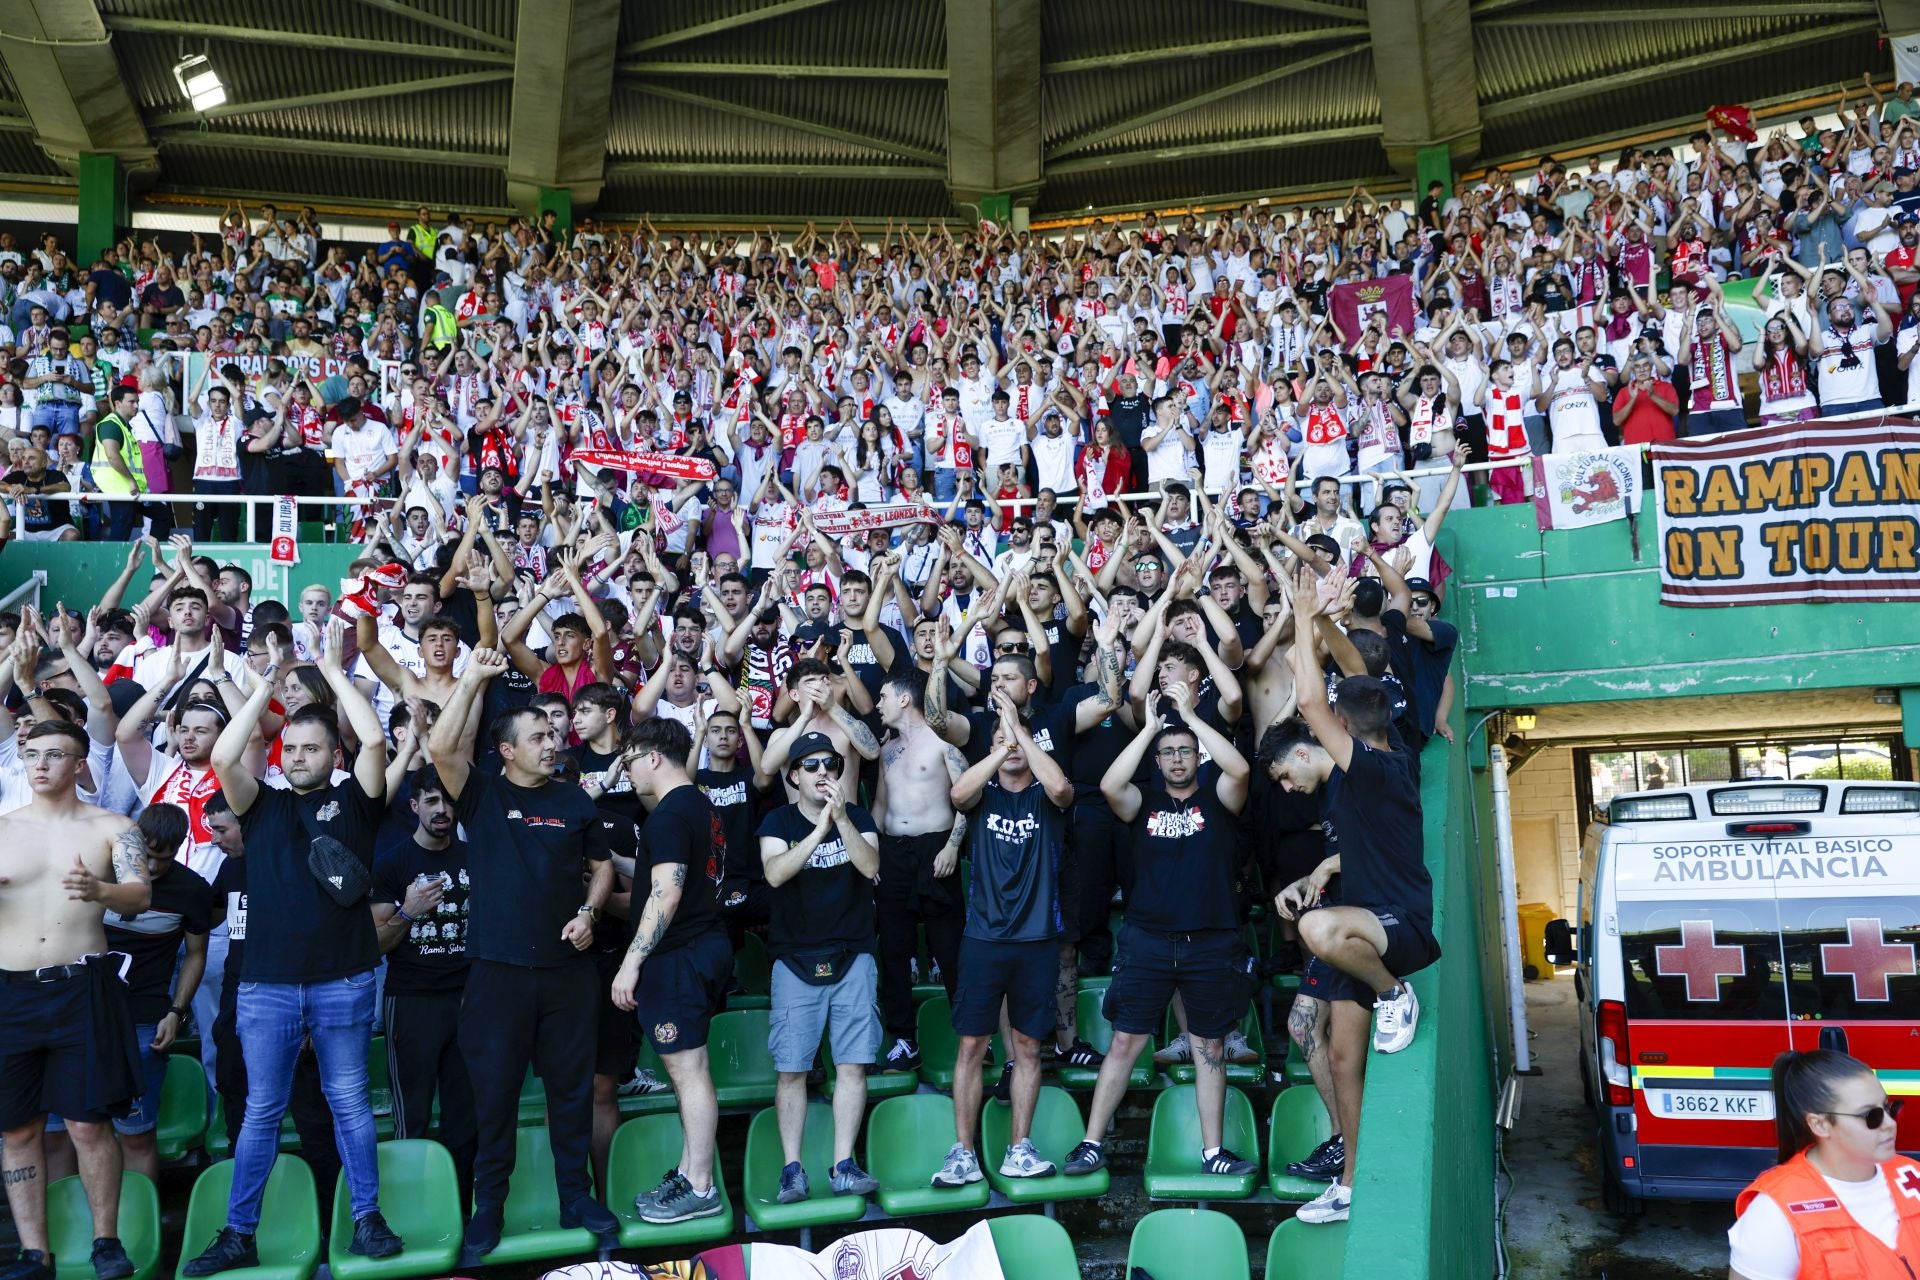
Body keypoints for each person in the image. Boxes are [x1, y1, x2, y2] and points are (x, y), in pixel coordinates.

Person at [184, 622, 402, 1275]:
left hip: (343, 981)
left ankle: (367, 1219)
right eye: (291, 748)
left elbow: (373, 738)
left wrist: (334, 668)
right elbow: (224, 759)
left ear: (332, 755)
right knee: (260, 1115)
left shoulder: (356, 803)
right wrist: (265, 685)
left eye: (313, 747)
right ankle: (238, 1232)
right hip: (268, 986)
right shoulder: (261, 806)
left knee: (349, 1104)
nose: (299, 755)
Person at [427, 648, 618, 1263]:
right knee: (496, 1096)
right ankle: (489, 1208)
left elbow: (603, 869)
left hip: (568, 976)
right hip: (497, 975)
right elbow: (440, 748)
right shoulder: (481, 793)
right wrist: (475, 680)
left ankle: (575, 1198)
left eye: (553, 732)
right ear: (506, 750)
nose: (552, 740)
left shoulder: (575, 801)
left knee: (572, 1093)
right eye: (537, 735)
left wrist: (590, 911)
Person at [1263, 571, 1438, 1226]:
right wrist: (1321, 624)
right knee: (1341, 1056)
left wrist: (1305, 613)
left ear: (1344, 725)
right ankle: (1349, 1184)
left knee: (1316, 931)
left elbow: (1310, 700)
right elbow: (1347, 668)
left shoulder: (1382, 765)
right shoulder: (1350, 774)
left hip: (1397, 927)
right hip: (1363, 919)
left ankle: (1396, 993)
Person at [1064, 683, 1257, 1181]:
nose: (1176, 759)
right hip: (1147, 940)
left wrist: (1192, 719)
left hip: (1210, 940)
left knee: (1209, 1047)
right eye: (1167, 753)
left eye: (1185, 752)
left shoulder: (1218, 799)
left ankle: (1213, 1151)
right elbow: (1108, 786)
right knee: (1126, 1042)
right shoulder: (1142, 803)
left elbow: (1239, 769)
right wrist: (1151, 727)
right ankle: (1091, 1142)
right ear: (1156, 759)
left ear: (1198, 756)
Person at [0, 720, 150, 1280]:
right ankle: (33, 1252)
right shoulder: (2, 828)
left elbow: (139, 896)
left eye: (55, 754)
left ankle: (105, 1240)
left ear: (80, 763)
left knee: (88, 1124)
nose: (40, 765)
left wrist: (101, 891)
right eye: (31, 754)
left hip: (81, 984)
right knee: (16, 1128)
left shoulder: (113, 826)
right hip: (10, 988)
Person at [935, 691, 1077, 1188]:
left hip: (1037, 939)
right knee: (972, 1044)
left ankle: (1020, 1148)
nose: (1012, 746)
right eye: (1001, 741)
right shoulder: (983, 795)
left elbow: (1059, 784)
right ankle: (963, 1153)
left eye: (1020, 741)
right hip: (983, 938)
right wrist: (1003, 740)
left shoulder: (1046, 796)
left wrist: (1020, 732)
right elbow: (957, 796)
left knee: (1027, 1047)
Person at [610, 718, 732, 1226]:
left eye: (630, 759)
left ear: (654, 757)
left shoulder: (666, 815)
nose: (627, 771)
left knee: (688, 1073)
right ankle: (688, 1173)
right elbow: (666, 871)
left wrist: (629, 964)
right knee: (688, 1072)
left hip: (678, 956)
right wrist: (617, 862)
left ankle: (701, 1188)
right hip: (702, 948)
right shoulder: (698, 805)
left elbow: (668, 892)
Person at [756, 732, 883, 1204]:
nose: (823, 772)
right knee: (791, 1070)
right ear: (793, 777)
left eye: (830, 763)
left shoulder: (860, 816)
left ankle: (844, 1164)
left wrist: (842, 818)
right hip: (794, 958)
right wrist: (816, 829)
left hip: (853, 954)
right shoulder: (777, 820)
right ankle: (793, 1169)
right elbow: (774, 873)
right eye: (811, 766)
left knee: (852, 1066)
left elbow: (870, 865)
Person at [369, 767, 477, 1203]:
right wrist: (409, 911)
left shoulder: (475, 858)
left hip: (470, 1000)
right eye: (431, 801)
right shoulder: (392, 863)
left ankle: (463, 1211)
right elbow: (375, 941)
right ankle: (412, 1207)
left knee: (465, 1117)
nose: (441, 809)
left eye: (448, 800)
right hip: (412, 1000)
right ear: (414, 806)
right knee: (411, 1114)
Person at [1729, 1049, 1920, 1278]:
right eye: (1871, 1116)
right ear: (1819, 1125)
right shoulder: (1773, 1214)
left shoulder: (1911, 1174)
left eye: (1889, 1108)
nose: (1889, 1124)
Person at [869, 666, 968, 1071]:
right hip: (893, 852)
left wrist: (952, 846)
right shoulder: (886, 750)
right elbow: (878, 805)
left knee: (951, 950)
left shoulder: (945, 748)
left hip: (936, 850)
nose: (878, 704)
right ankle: (904, 1040)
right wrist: (873, 851)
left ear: (905, 699)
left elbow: (966, 803)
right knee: (893, 949)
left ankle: (971, 1035)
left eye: (884, 697)